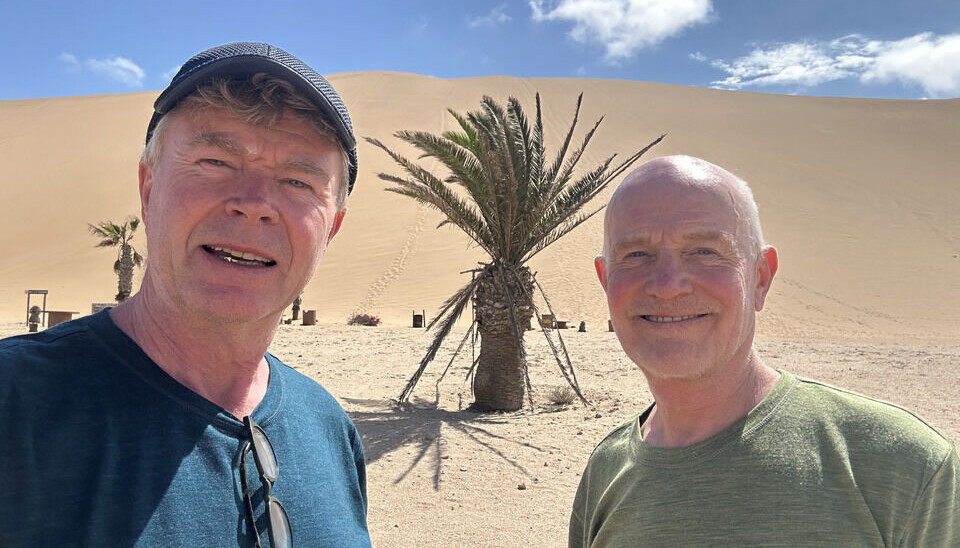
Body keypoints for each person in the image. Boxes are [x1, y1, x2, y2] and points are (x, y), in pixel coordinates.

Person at [0, 43, 371, 547]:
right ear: (148, 187)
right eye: (216, 160)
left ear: (332, 228)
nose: (254, 205)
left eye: (298, 182)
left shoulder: (329, 430)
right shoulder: (16, 403)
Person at [569, 155, 959, 547]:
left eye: (704, 251)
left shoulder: (903, 468)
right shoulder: (605, 472)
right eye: (636, 255)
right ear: (606, 282)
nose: (667, 285)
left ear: (760, 277)